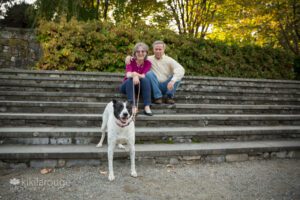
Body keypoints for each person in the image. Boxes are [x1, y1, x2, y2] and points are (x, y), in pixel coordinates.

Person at [119, 42, 153, 116]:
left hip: (139, 86)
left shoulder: (148, 63)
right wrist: (134, 75)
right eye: (138, 51)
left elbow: (143, 76)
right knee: (130, 80)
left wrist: (135, 74)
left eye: (143, 51)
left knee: (145, 80)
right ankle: (133, 106)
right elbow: (128, 75)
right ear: (135, 53)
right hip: (127, 86)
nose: (140, 53)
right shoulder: (130, 61)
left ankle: (147, 106)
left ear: (146, 53)